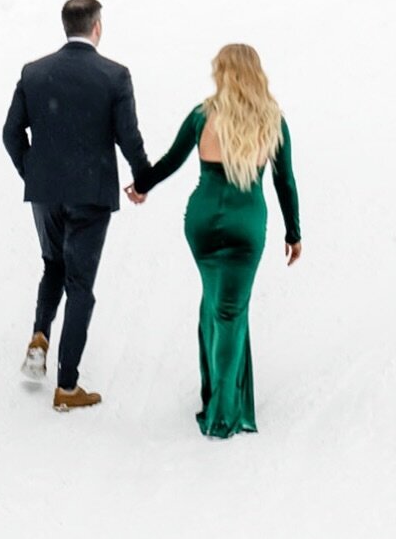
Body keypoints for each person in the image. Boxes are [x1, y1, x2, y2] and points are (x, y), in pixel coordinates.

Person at [128, 43, 300, 439]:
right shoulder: (273, 121)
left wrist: (141, 186)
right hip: (246, 224)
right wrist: (293, 232)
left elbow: (171, 160)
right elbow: (284, 181)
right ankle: (223, 414)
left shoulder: (203, 115)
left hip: (203, 222)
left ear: (222, 74)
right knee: (230, 312)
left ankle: (217, 392)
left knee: (213, 301)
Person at [2, 0, 151, 412]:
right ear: (97, 27)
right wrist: (143, 178)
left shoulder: (34, 73)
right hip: (91, 195)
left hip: (46, 194)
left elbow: (10, 133)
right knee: (80, 285)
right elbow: (128, 137)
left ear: (65, 26)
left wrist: (34, 173)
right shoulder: (114, 76)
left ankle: (39, 336)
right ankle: (67, 386)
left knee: (53, 265)